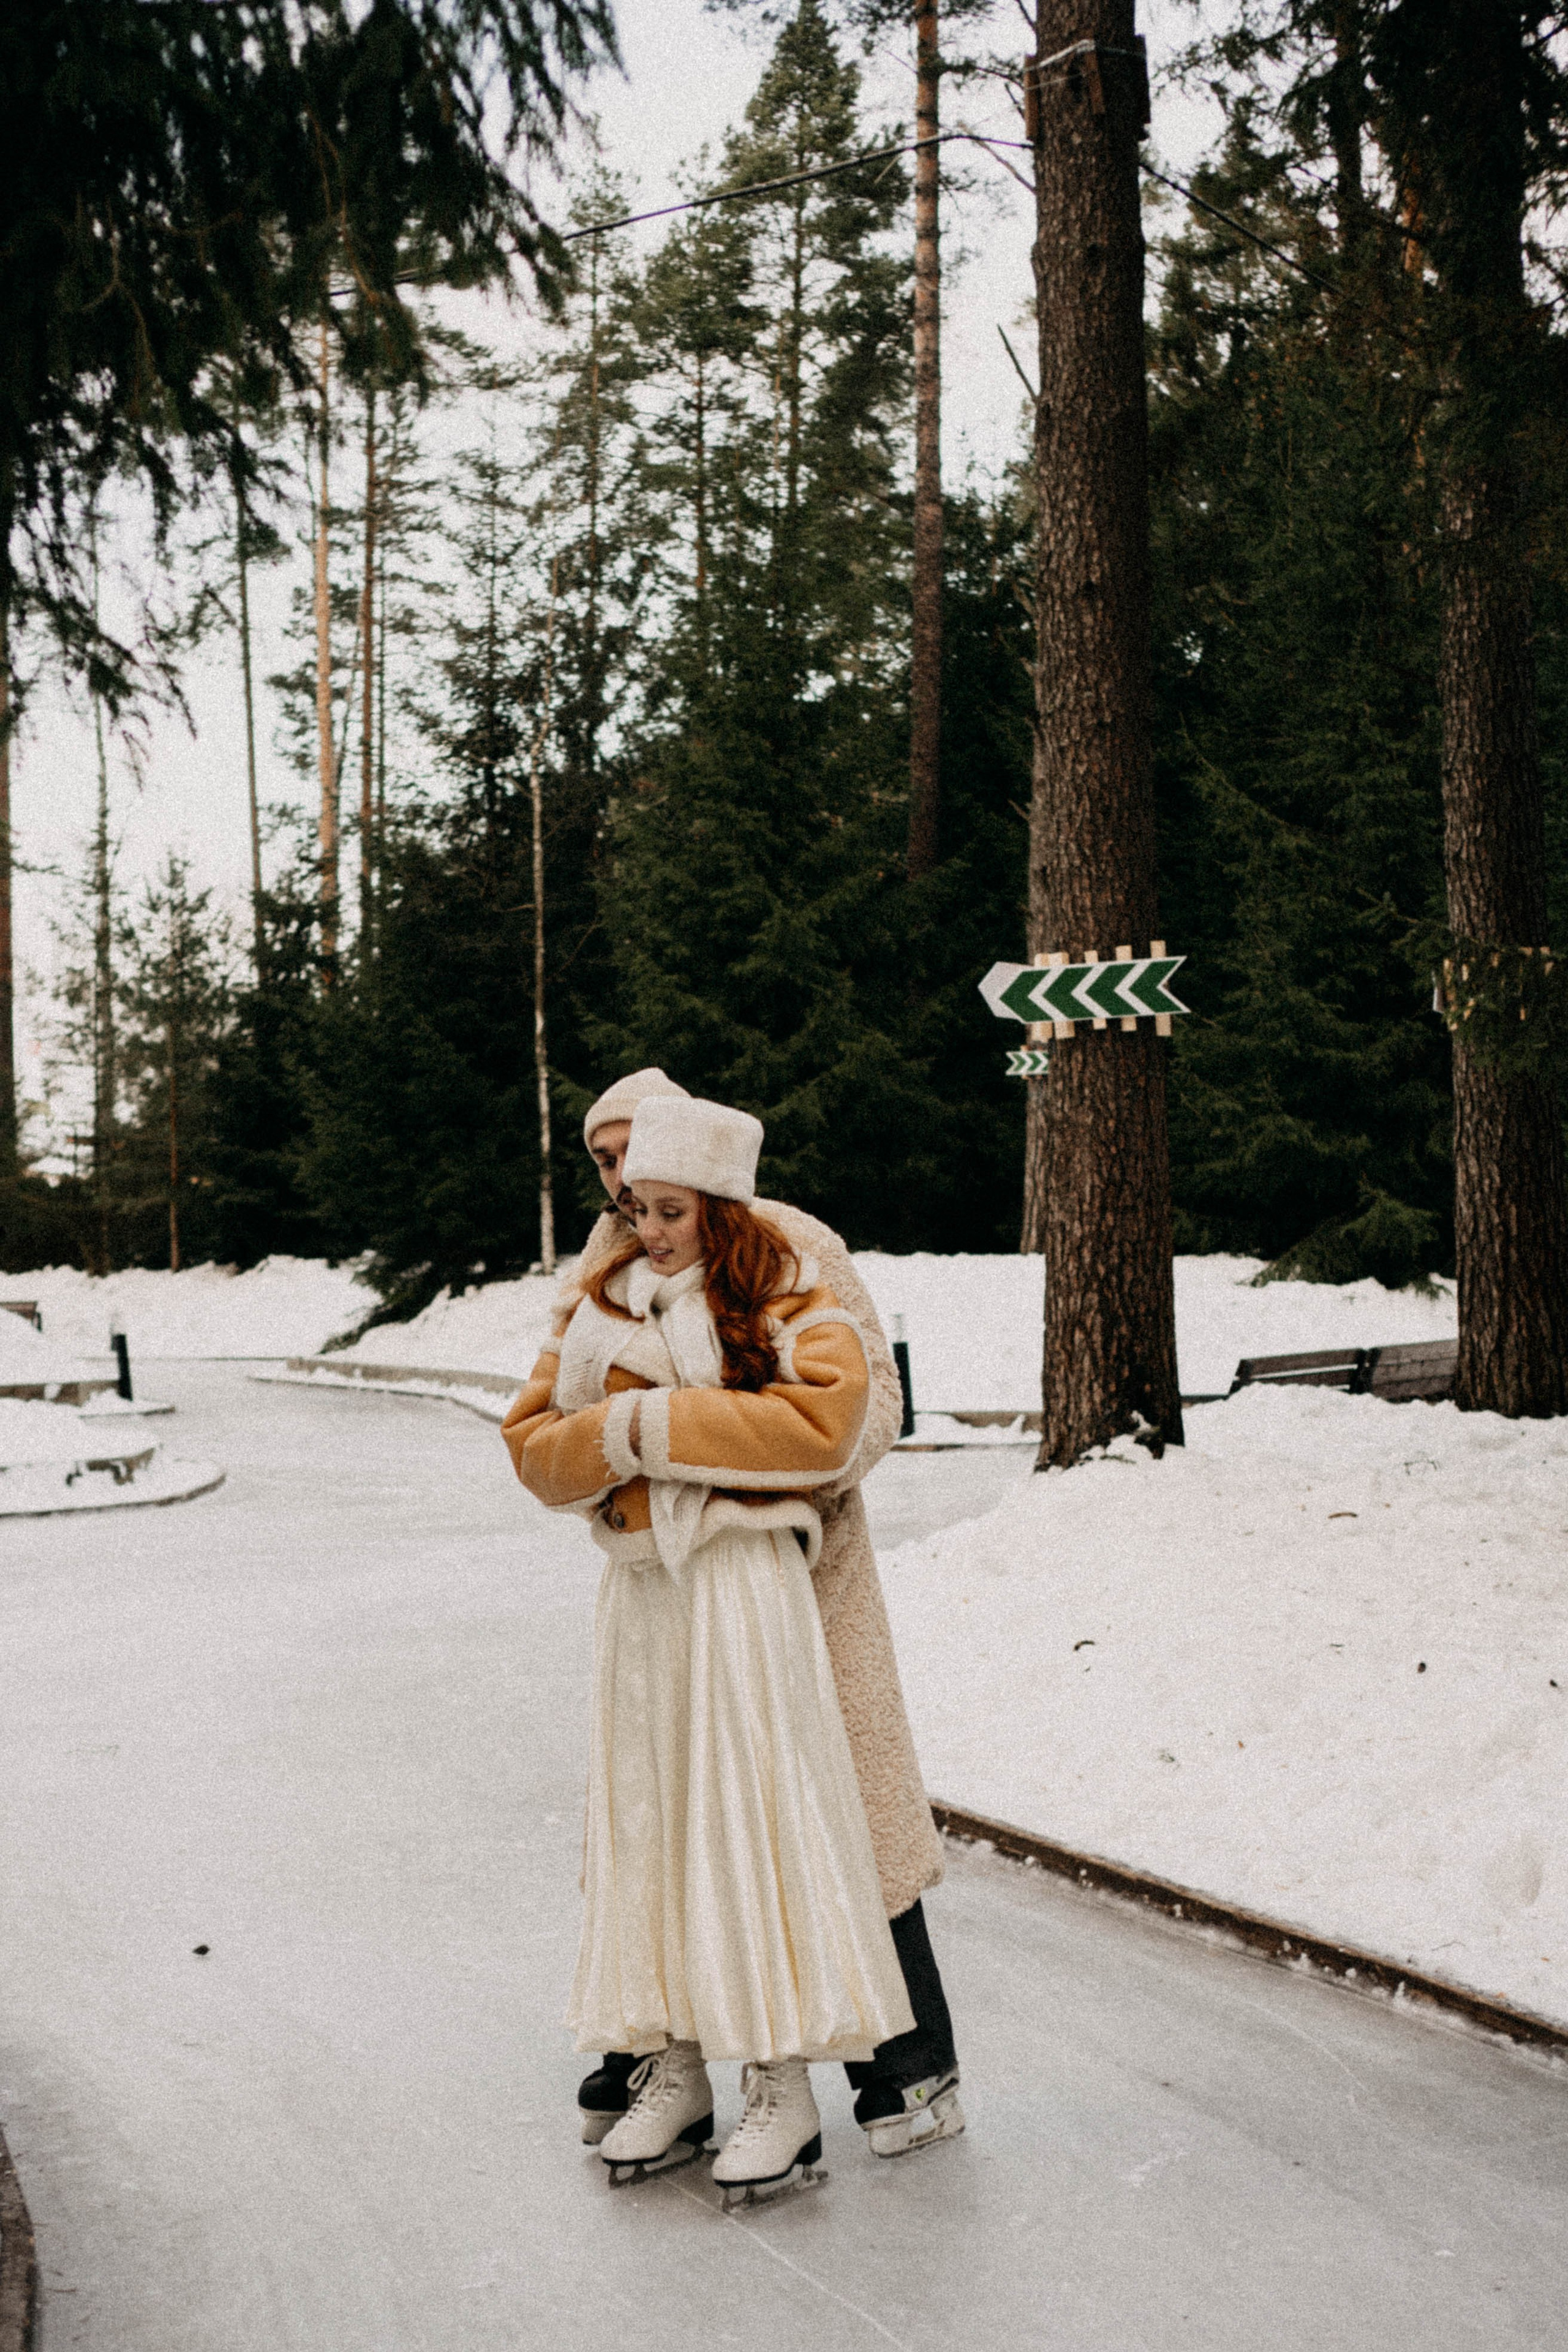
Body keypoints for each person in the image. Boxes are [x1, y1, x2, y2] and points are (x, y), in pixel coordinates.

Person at [503, 1095, 922, 2206]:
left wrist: (651, 1431)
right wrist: (616, 1439)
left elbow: (831, 1425)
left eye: (668, 1206)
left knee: (756, 1821)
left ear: (718, 1203)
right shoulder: (598, 1296)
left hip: (746, 1588)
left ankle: (782, 2086)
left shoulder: (785, 1279)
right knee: (652, 1822)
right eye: (632, 1202)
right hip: (642, 1595)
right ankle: (676, 2067)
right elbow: (533, 1449)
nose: (645, 1225)